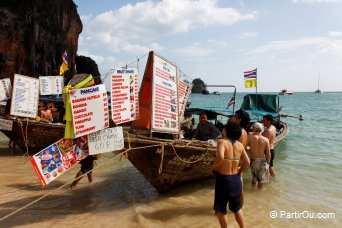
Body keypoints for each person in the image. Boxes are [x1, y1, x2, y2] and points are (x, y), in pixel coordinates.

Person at [212, 122, 250, 228]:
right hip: (236, 179)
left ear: (227, 131)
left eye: (224, 129)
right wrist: (239, 171)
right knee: (237, 208)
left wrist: (213, 167)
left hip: (224, 179)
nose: (223, 131)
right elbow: (247, 162)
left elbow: (220, 157)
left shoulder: (222, 142)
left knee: (221, 210)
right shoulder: (240, 145)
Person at [225, 109, 250, 208]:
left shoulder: (236, 131)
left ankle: (227, 210)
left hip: (233, 161)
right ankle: (239, 208)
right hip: (240, 160)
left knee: (227, 187)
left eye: (235, 116)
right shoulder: (244, 131)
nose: (232, 117)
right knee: (239, 187)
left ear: (239, 119)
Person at [247, 122, 271, 189]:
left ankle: (253, 190)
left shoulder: (249, 137)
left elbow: (245, 147)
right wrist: (268, 163)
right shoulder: (266, 139)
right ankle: (259, 194)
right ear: (262, 130)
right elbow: (268, 153)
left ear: (253, 129)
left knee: (254, 177)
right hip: (262, 160)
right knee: (260, 180)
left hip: (254, 160)